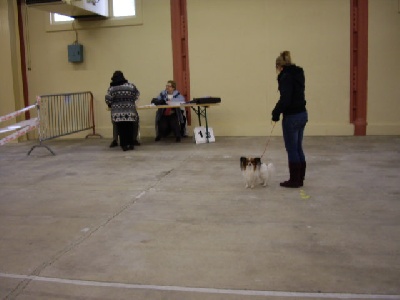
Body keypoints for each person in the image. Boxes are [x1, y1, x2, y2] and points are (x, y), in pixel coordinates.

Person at [272, 51, 308, 188]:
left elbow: (285, 99)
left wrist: (275, 112)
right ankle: (300, 178)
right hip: (303, 114)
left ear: (279, 66)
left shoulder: (285, 76)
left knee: (292, 149)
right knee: (298, 147)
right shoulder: (299, 74)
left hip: (291, 117)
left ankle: (294, 180)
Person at [105, 70, 140, 151]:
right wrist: (130, 101)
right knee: (130, 128)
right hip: (130, 111)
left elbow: (108, 99)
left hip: (118, 113)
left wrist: (111, 104)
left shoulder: (112, 88)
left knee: (122, 130)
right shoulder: (131, 86)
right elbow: (137, 95)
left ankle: (124, 145)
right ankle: (131, 144)